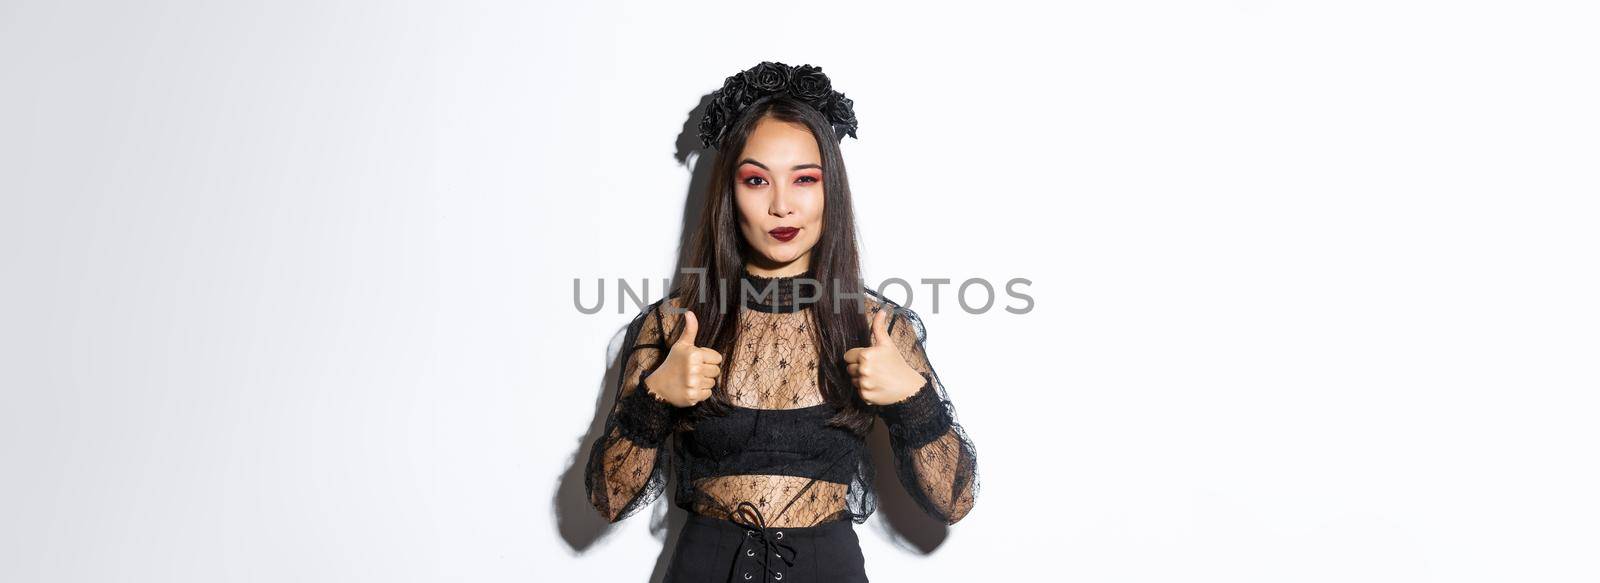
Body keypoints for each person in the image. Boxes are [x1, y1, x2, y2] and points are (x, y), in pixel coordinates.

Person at [585, 61, 978, 583]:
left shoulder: (874, 325)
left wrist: (912, 399)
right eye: (756, 180)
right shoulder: (676, 324)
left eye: (804, 180)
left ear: (829, 190)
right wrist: (654, 399)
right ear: (730, 193)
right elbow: (607, 499)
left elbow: (953, 501)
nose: (781, 205)